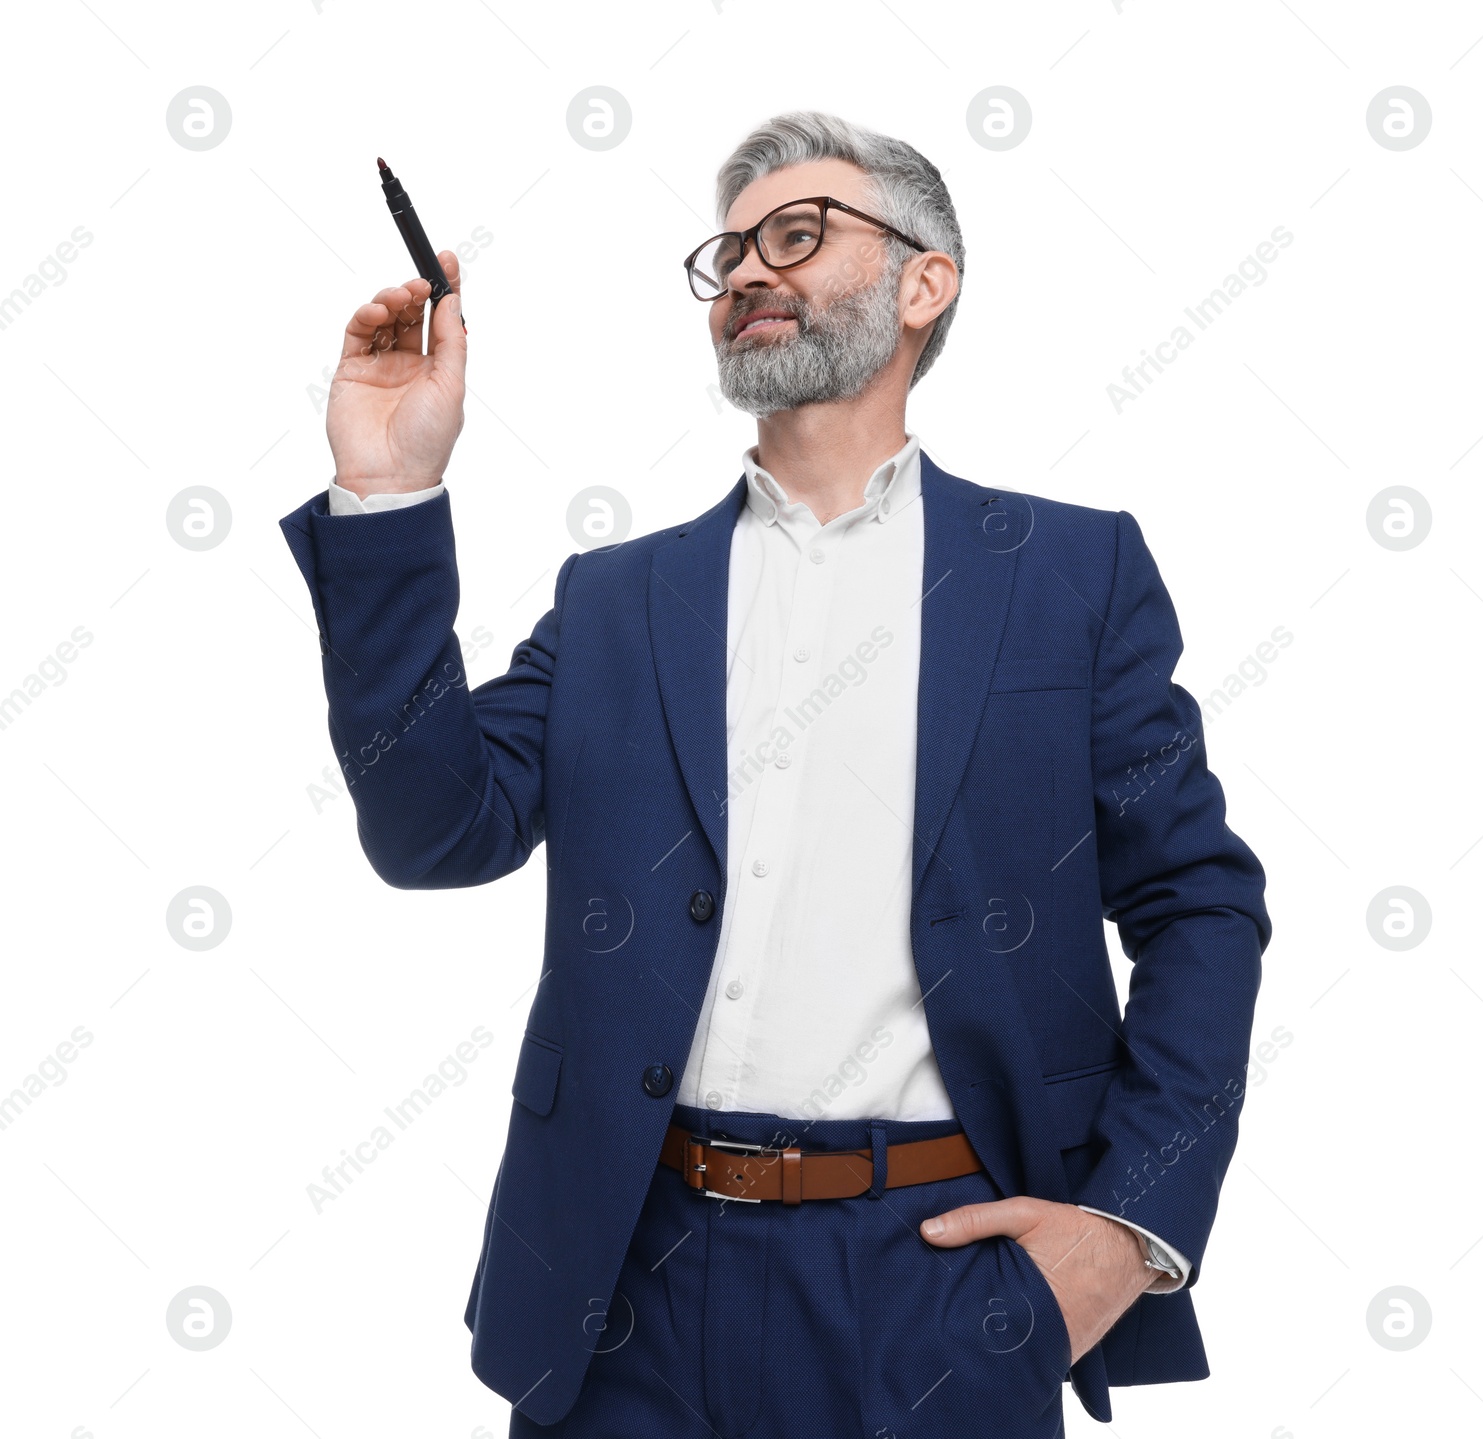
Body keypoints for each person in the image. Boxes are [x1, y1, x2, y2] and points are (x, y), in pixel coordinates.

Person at [279, 110, 1271, 1437]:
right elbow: (432, 830)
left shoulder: (1070, 581)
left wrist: (1128, 1228)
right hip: (626, 1281)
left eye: (798, 234)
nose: (748, 270)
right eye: (730, 249)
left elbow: (1200, 903)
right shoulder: (618, 600)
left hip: (944, 1280)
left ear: (926, 283)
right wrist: (386, 491)